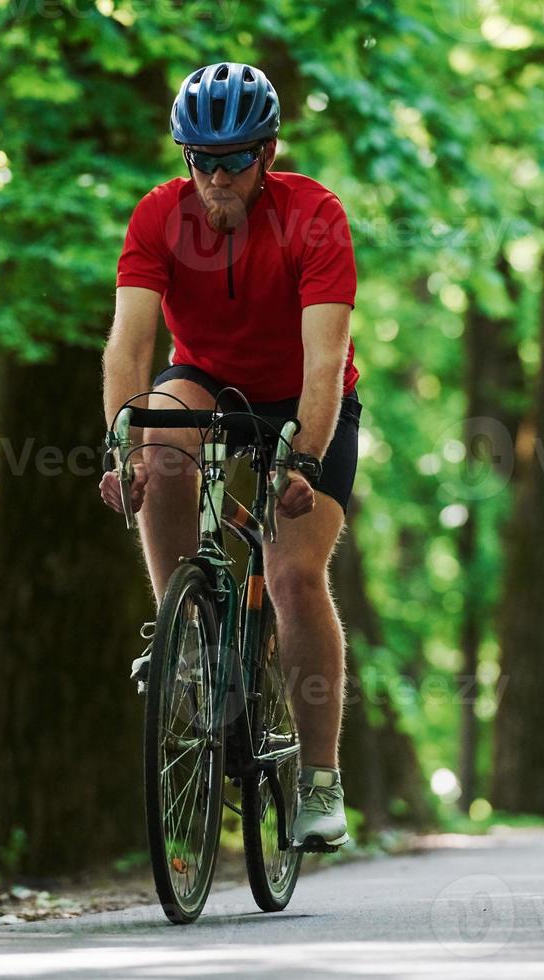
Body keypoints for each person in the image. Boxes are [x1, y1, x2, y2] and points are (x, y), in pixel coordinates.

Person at [98, 62, 362, 852]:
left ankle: (320, 782)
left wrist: (304, 461)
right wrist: (124, 445)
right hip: (207, 378)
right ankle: (185, 639)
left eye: (235, 161)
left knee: (290, 573)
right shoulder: (156, 217)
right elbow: (130, 344)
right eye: (201, 161)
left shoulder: (315, 216)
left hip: (301, 397)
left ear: (268, 154)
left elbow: (324, 363)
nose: (216, 180)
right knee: (162, 432)